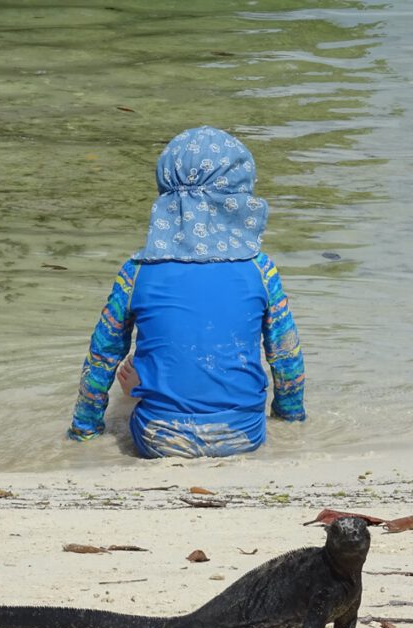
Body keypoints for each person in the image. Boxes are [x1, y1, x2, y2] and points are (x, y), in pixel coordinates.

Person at [68, 126, 305, 459]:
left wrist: (84, 430)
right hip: (244, 434)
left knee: (131, 377)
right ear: (237, 195)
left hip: (158, 439)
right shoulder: (261, 269)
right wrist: (290, 420)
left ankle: (141, 392)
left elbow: (100, 358)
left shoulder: (136, 271)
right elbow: (286, 358)